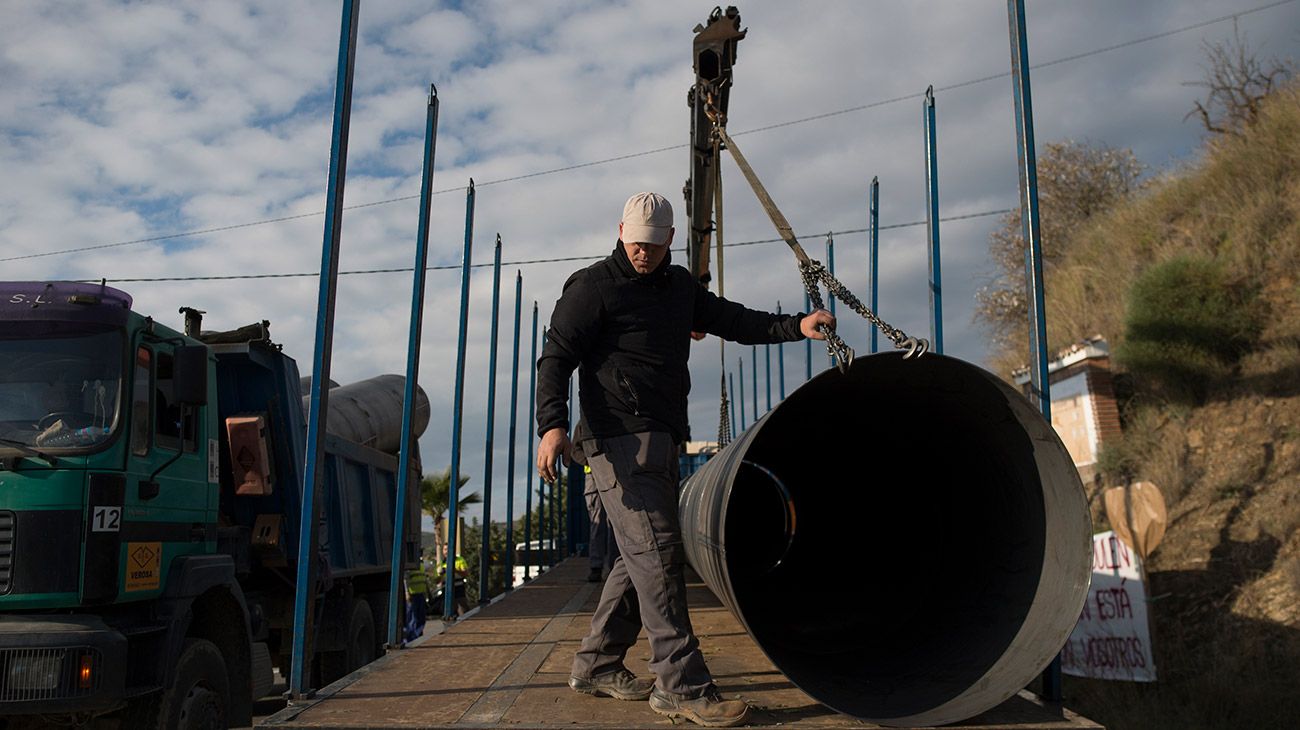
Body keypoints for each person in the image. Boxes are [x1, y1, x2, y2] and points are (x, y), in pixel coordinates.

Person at [536, 191, 834, 728]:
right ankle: (681, 685)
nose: (643, 254)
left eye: (652, 245)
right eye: (634, 243)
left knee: (638, 554)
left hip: (661, 436)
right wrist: (551, 425)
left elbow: (736, 320)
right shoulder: (592, 287)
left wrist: (797, 325)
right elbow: (555, 357)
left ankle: (597, 664)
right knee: (658, 554)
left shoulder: (680, 289)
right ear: (619, 231)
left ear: (670, 240)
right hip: (613, 437)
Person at [436, 553, 470, 618]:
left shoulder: (460, 560)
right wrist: (442, 574)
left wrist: (454, 570)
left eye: (448, 549)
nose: (447, 552)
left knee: (462, 610)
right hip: (446, 590)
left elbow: (465, 573)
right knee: (447, 610)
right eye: (445, 550)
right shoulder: (441, 564)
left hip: (458, 589)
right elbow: (437, 581)